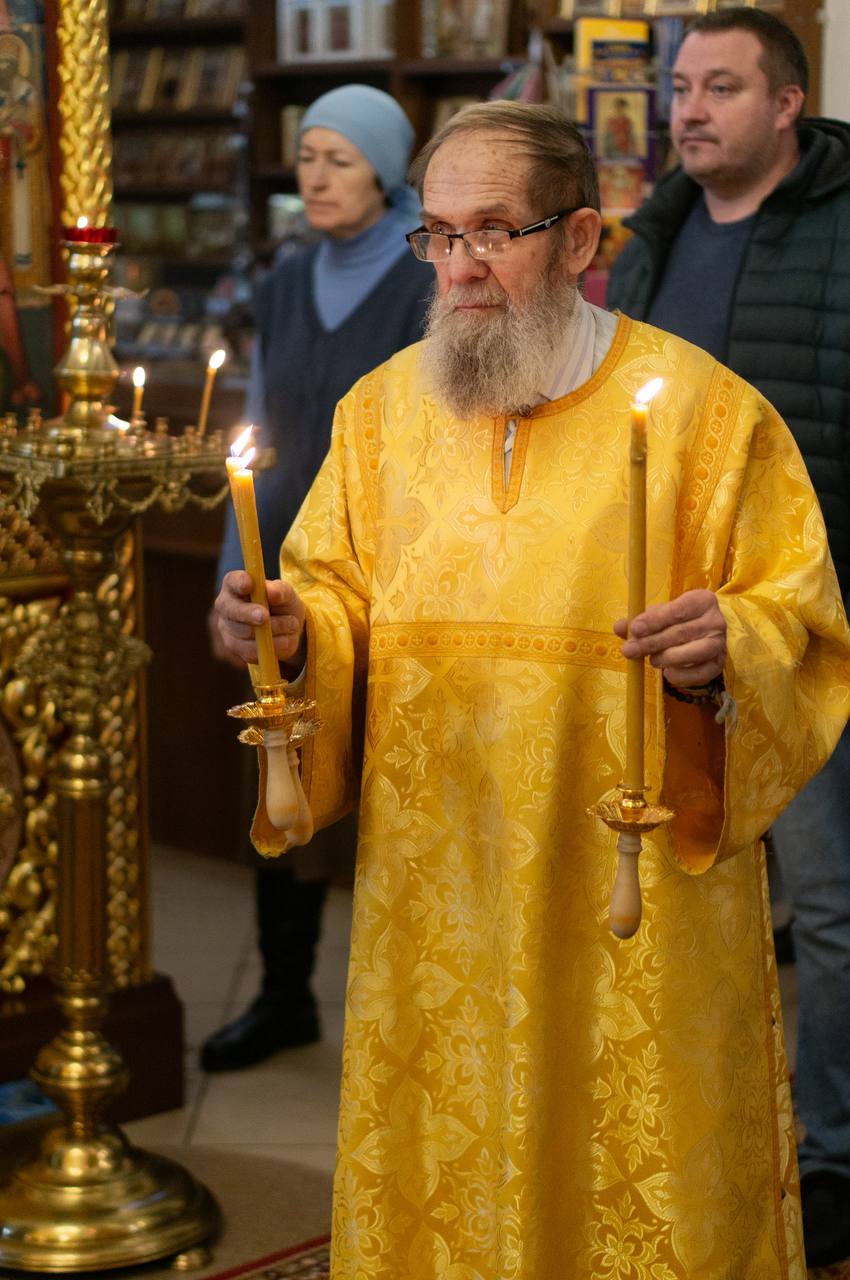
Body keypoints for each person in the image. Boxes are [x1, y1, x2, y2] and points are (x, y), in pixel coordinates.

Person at [213, 101, 850, 1279]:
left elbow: (801, 623)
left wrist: (730, 641)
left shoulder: (707, 414)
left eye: (493, 232)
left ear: (579, 239)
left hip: (629, 891)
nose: (459, 267)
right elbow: (329, 596)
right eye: (439, 234)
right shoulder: (380, 414)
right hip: (439, 884)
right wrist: (290, 635)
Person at [606, 8, 850, 1266]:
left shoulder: (841, 224)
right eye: (679, 87)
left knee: (828, 901)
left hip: (803, 618)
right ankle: (703, 1127)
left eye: (719, 88)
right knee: (686, 884)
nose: (688, 110)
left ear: (786, 103)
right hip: (669, 623)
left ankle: (834, 1153)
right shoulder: (650, 234)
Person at [201, 84, 431, 1074]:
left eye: (341, 158)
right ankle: (284, 995)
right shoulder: (287, 278)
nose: (318, 176)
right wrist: (234, 572)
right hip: (285, 572)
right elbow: (253, 425)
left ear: (385, 170)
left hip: (391, 576)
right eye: (307, 157)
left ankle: (413, 1009)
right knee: (280, 771)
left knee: (395, 791)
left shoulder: (426, 274)